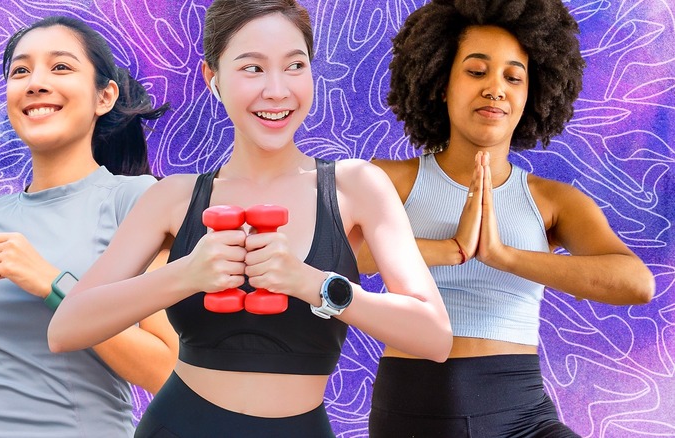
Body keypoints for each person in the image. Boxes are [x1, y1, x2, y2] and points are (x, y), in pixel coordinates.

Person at [47, 1, 453, 436]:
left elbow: (434, 337)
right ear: (213, 78)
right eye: (252, 69)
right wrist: (185, 275)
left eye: (294, 65)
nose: (277, 91)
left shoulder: (356, 186)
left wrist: (313, 284)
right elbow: (66, 328)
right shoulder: (175, 197)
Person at [357, 0, 657, 436]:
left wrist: (503, 255)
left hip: (523, 416)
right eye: (476, 72)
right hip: (414, 412)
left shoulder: (553, 200)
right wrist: (450, 250)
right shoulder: (388, 180)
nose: (495, 88)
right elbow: (321, 257)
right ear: (441, 83)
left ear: (530, 94)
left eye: (513, 77)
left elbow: (636, 283)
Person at [0, 16, 179, 437]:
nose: (35, 82)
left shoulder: (138, 202)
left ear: (104, 97)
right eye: (20, 71)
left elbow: (168, 373)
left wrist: (53, 285)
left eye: (61, 67)